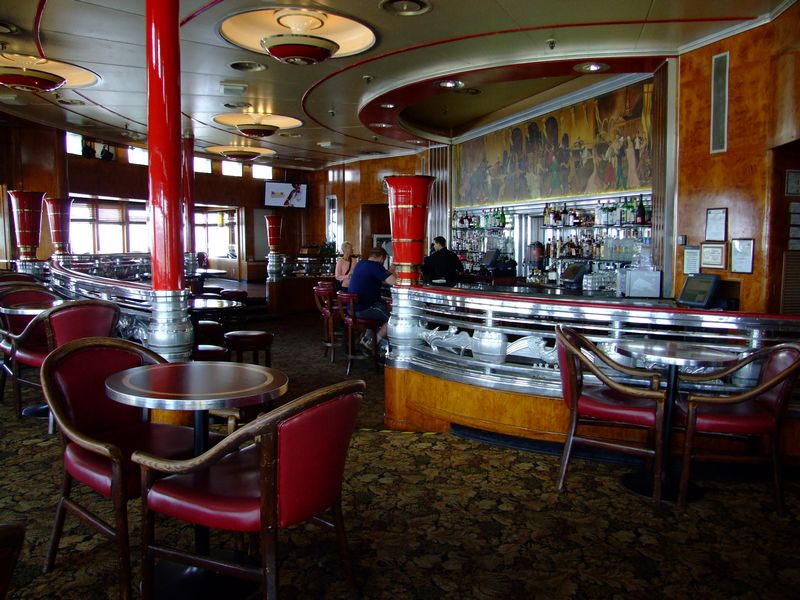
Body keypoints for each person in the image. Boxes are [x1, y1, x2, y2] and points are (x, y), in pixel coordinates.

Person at [347, 246, 396, 352]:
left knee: (379, 311)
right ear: (381, 258)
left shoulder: (361, 263)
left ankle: (366, 339)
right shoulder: (375, 266)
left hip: (352, 308)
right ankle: (372, 342)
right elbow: (394, 282)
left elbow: (375, 278)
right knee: (395, 319)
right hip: (364, 308)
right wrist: (393, 270)